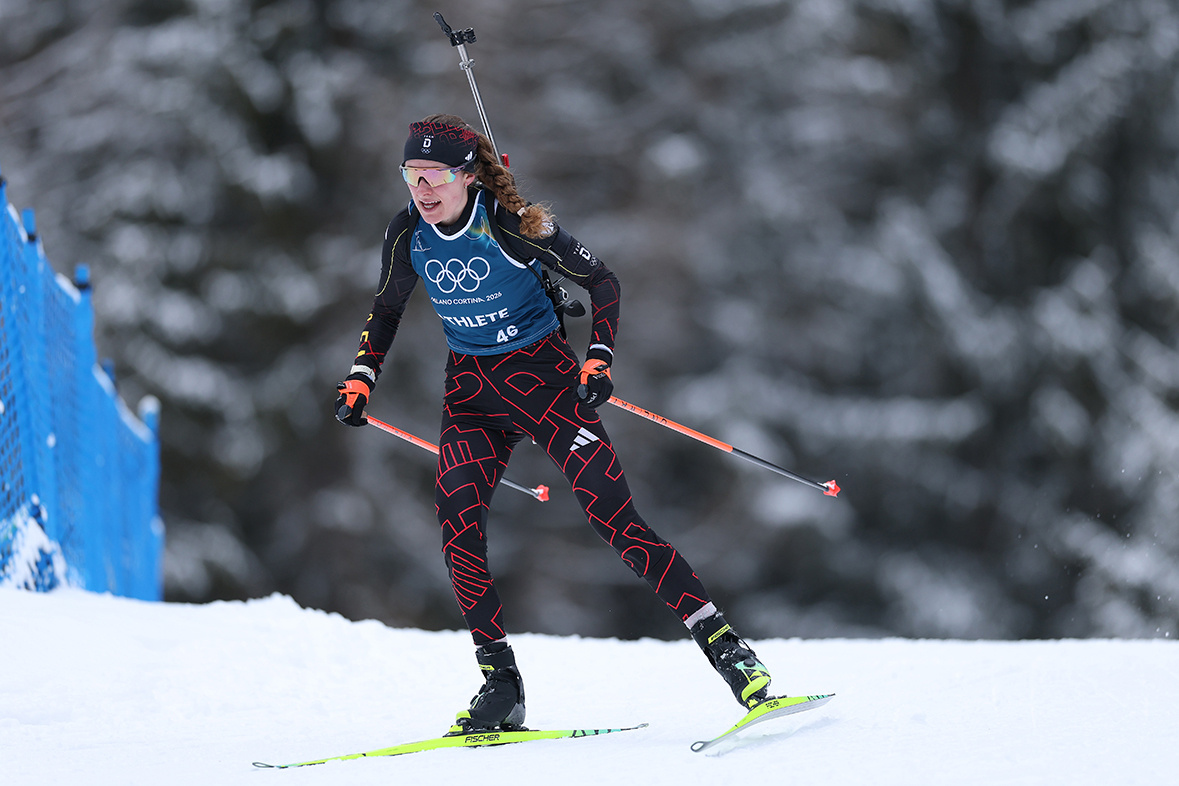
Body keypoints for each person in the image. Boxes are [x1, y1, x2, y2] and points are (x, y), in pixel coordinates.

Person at [335, 114, 773, 731]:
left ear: (465, 175)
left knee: (613, 518)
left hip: (545, 384)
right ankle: (501, 686)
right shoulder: (407, 232)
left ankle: (731, 655)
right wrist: (362, 375)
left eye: (433, 176)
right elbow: (386, 308)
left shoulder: (515, 225)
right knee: (457, 524)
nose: (422, 191)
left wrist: (599, 358)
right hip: (471, 394)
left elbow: (604, 283)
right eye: (411, 176)